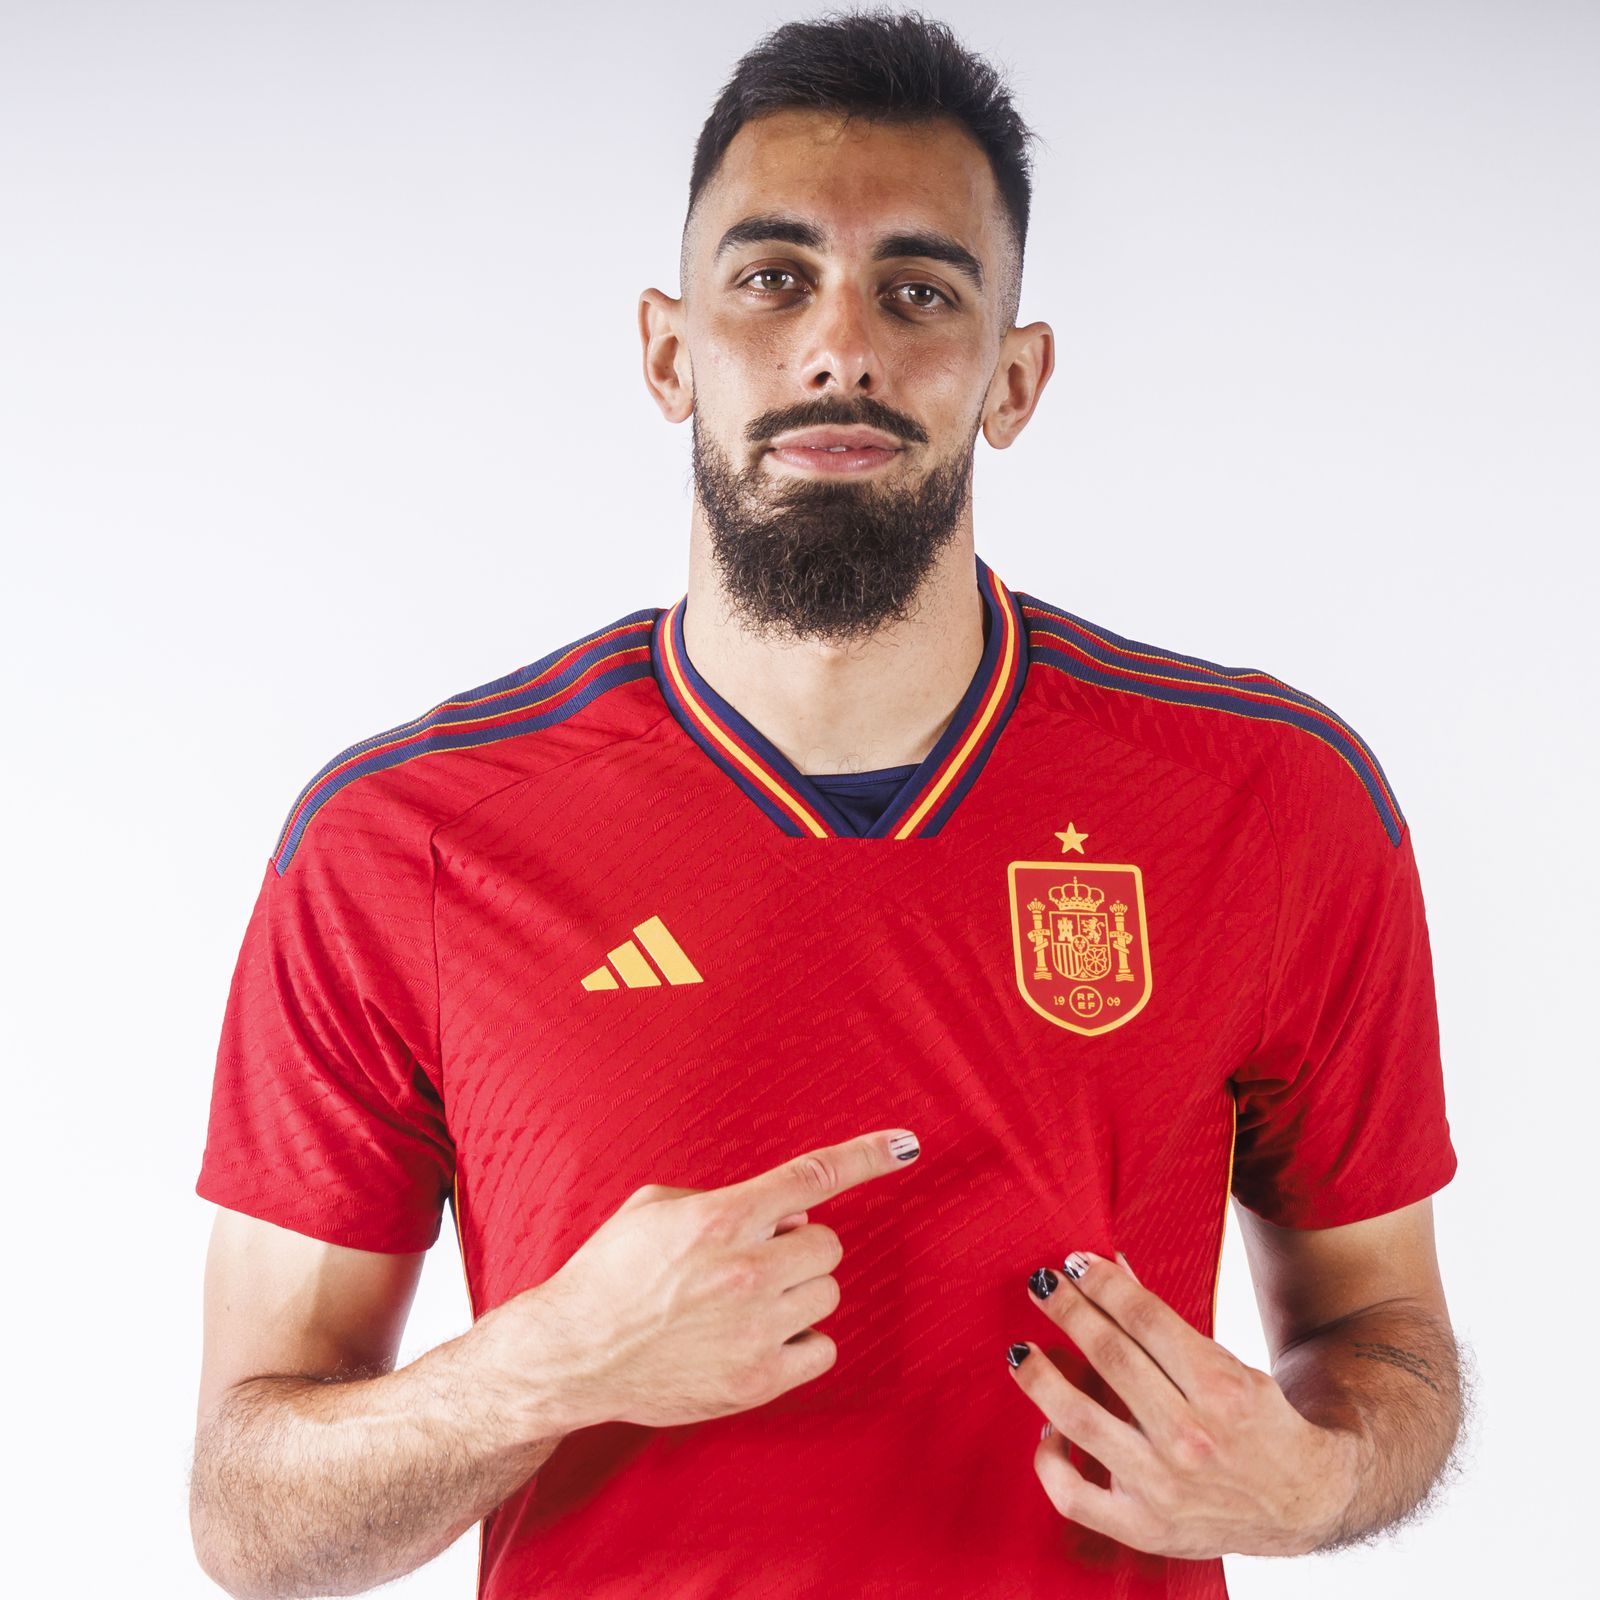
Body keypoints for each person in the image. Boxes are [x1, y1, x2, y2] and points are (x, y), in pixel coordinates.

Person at [188, 9, 1463, 1598]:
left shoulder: (1272, 800)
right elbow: (248, 1515)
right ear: (670, 350)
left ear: (1015, 378)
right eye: (773, 278)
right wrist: (554, 1364)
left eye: (918, 292)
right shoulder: (405, 840)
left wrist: (1318, 1479)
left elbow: (1386, 1335)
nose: (840, 346)